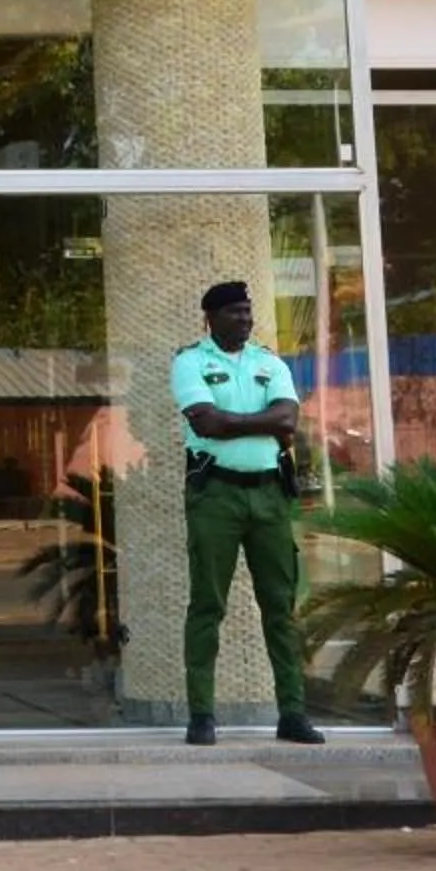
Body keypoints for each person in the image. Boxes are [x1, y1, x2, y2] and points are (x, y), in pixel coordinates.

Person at [170, 278, 325, 748]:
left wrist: (233, 423)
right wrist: (258, 423)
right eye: (235, 312)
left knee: (281, 605)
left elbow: (288, 420)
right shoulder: (190, 362)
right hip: (216, 495)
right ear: (211, 317)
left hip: (269, 496)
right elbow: (206, 423)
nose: (245, 319)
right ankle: (202, 714)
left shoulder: (268, 362)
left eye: (247, 312)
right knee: (207, 604)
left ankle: (292, 713)